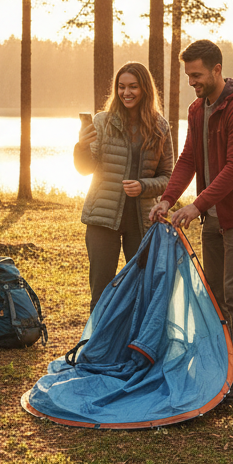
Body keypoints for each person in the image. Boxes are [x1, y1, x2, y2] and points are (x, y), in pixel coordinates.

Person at [148, 39, 233, 401]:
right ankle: (224, 368)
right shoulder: (197, 109)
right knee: (215, 296)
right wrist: (168, 199)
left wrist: (196, 206)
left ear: (217, 70)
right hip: (214, 217)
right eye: (188, 75)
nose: (193, 82)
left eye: (198, 75)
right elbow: (188, 158)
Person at [75, 62, 174, 309]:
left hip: (142, 221)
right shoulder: (102, 122)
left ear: (145, 90)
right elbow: (85, 169)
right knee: (101, 291)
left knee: (143, 289)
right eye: (121, 87)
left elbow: (167, 177)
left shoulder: (160, 127)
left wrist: (143, 186)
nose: (126, 92)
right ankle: (96, 346)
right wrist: (81, 147)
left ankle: (135, 345)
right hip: (102, 219)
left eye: (133, 87)